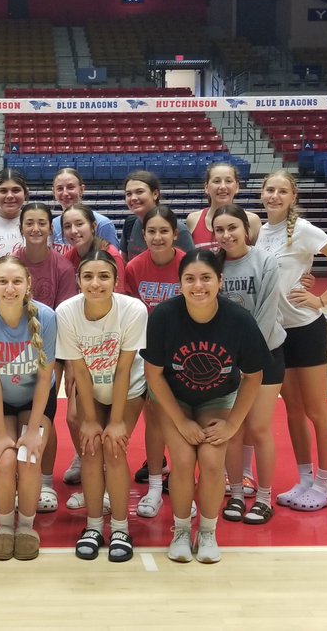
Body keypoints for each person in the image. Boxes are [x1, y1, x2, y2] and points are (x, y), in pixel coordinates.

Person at [141, 249, 270, 564]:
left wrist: (233, 424)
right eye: (190, 279)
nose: (198, 286)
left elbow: (254, 376)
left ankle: (208, 532)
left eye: (205, 278)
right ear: (180, 284)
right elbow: (153, 375)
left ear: (220, 281)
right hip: (173, 397)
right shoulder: (164, 316)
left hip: (217, 398)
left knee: (212, 461)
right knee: (183, 460)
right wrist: (180, 421)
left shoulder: (238, 320)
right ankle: (182, 530)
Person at [254, 170, 327, 512]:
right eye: (270, 190)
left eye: (282, 191)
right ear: (261, 194)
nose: (274, 196)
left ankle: (326, 484)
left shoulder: (303, 230)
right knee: (294, 410)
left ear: (293, 197)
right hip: (277, 332)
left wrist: (322, 298)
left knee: (317, 410)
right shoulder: (259, 232)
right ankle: (305, 480)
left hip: (306, 329)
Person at [55, 251, 148, 562]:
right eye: (88, 277)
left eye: (104, 276)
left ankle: (121, 528)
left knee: (114, 448)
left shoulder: (133, 310)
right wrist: (91, 420)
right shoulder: (66, 312)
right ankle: (93, 526)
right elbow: (80, 371)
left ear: (116, 281)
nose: (95, 283)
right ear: (78, 281)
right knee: (91, 447)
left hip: (128, 388)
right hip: (90, 389)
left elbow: (124, 369)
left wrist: (117, 420)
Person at [0, 255, 58, 561]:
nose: (9, 288)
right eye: (2, 281)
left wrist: (32, 431)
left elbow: (45, 379)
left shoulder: (46, 317)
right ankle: (5, 526)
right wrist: (1, 435)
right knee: (5, 460)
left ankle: (27, 527)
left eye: (17, 281)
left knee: (29, 457)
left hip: (35, 400)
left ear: (28, 284)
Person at [213, 204, 286, 526]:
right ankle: (236, 492)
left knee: (257, 428)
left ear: (246, 229)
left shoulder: (265, 261)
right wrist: (230, 358)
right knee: (233, 430)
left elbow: (267, 313)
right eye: (219, 230)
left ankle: (265, 498)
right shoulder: (214, 265)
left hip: (265, 355)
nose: (226, 235)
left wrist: (249, 357)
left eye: (232, 228)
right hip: (228, 360)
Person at [13, 201, 78, 513]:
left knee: (45, 415)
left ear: (50, 228)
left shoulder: (62, 267)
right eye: (30, 223)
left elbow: (65, 318)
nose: (36, 228)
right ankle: (21, 477)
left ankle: (47, 480)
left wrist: (64, 365)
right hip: (14, 350)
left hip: (51, 350)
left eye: (42, 223)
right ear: (21, 228)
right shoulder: (11, 262)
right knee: (18, 415)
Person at [122, 205, 186, 518]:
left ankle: (184, 479)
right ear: (143, 235)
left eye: (164, 231)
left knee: (181, 417)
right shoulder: (134, 267)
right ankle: (156, 485)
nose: (157, 237)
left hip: (183, 352)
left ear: (175, 234)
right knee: (155, 418)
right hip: (148, 353)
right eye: (151, 231)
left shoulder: (187, 263)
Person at [120, 169, 196, 262]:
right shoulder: (129, 224)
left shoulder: (179, 229)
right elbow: (124, 262)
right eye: (128, 194)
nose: (133, 198)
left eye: (139, 192)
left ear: (155, 194)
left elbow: (192, 264)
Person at [185, 163, 262, 250]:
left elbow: (259, 256)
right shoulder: (193, 220)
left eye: (228, 181)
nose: (222, 186)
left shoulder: (252, 221)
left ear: (237, 187)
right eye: (217, 181)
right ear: (206, 187)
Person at [60, 203, 128, 293]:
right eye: (67, 226)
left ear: (93, 227)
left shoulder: (112, 256)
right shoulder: (67, 259)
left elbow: (119, 296)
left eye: (79, 224)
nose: (73, 231)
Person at [51, 167, 118, 248]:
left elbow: (112, 255)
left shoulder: (102, 224)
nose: (65, 193)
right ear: (54, 192)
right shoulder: (52, 225)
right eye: (60, 188)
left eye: (70, 187)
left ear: (82, 190)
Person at [0, 168, 28, 257]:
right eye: (3, 191)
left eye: (16, 190)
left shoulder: (36, 224)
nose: (9, 196)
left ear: (25, 193)